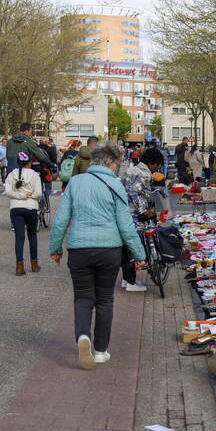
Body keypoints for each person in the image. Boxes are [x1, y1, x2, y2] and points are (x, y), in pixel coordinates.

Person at [49, 140, 145, 370]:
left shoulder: (75, 182)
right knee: (104, 300)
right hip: (109, 250)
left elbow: (61, 218)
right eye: (117, 164)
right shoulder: (115, 185)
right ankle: (101, 351)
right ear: (111, 163)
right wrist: (139, 254)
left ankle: (83, 337)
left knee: (82, 298)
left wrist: (55, 248)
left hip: (79, 250)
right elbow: (125, 225)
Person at [120, 147, 163, 292]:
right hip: (135, 215)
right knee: (135, 247)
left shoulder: (131, 169)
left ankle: (127, 280)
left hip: (124, 212)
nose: (157, 169)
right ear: (152, 163)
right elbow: (134, 191)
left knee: (126, 248)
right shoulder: (144, 173)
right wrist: (143, 210)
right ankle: (133, 283)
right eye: (157, 166)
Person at [5, 151, 43, 275]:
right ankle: (34, 264)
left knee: (19, 238)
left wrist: (19, 196)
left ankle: (19, 266)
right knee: (32, 236)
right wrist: (29, 195)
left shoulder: (11, 174)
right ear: (29, 162)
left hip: (16, 208)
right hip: (31, 208)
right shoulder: (34, 175)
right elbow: (38, 193)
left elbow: (8, 191)